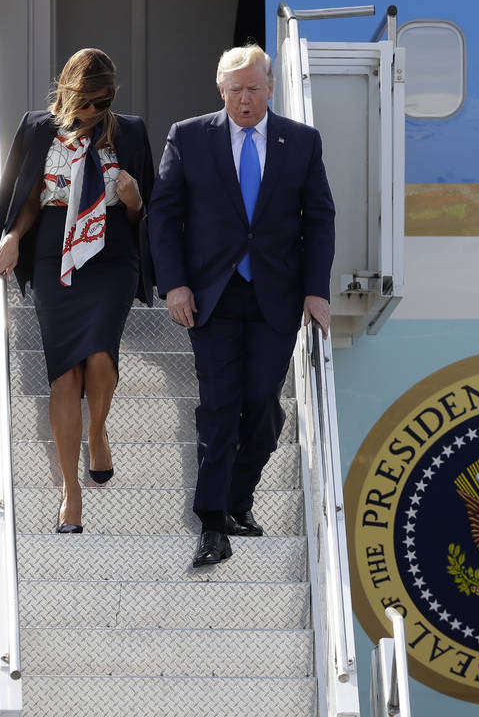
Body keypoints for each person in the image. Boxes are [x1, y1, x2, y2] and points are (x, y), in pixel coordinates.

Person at [149, 44, 335, 567]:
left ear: (270, 88)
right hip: (212, 294)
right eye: (234, 91)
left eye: (253, 89)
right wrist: (174, 285)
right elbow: (164, 215)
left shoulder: (300, 141)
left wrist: (316, 290)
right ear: (221, 91)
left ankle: (238, 498)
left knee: (262, 407)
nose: (244, 100)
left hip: (276, 295)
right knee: (220, 405)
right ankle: (212, 524)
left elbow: (320, 217)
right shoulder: (189, 136)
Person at [0, 48, 155, 533]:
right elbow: (24, 196)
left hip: (113, 253)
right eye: (90, 101)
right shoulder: (39, 129)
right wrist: (11, 240)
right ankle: (71, 492)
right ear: (69, 91)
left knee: (100, 357)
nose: (97, 111)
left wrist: (135, 200)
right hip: (55, 252)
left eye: (106, 101)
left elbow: (150, 214)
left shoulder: (131, 132)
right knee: (64, 376)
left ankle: (97, 432)